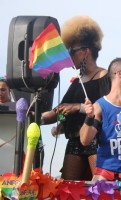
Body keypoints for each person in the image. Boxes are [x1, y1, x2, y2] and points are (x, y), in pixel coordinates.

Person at [41, 16, 111, 180]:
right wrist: (37, 118)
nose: (68, 57)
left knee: (102, 190)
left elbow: (108, 108)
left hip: (98, 141)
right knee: (68, 190)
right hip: (75, 141)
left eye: (71, 51)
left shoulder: (105, 77)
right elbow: (61, 109)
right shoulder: (76, 82)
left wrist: (77, 107)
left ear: (86, 51)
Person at [80, 57, 121, 181]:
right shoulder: (100, 106)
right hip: (107, 173)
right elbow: (85, 140)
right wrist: (89, 118)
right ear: (120, 74)